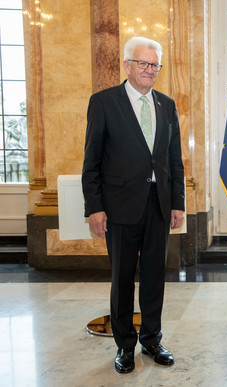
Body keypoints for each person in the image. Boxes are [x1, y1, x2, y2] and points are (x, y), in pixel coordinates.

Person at [82, 36, 185, 373]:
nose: (149, 70)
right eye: (143, 63)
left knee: (155, 276)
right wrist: (94, 207)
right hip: (120, 208)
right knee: (122, 278)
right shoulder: (103, 102)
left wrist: (177, 203)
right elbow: (91, 161)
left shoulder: (166, 105)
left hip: (159, 206)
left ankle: (152, 339)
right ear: (127, 65)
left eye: (154, 65)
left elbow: (174, 160)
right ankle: (125, 346)